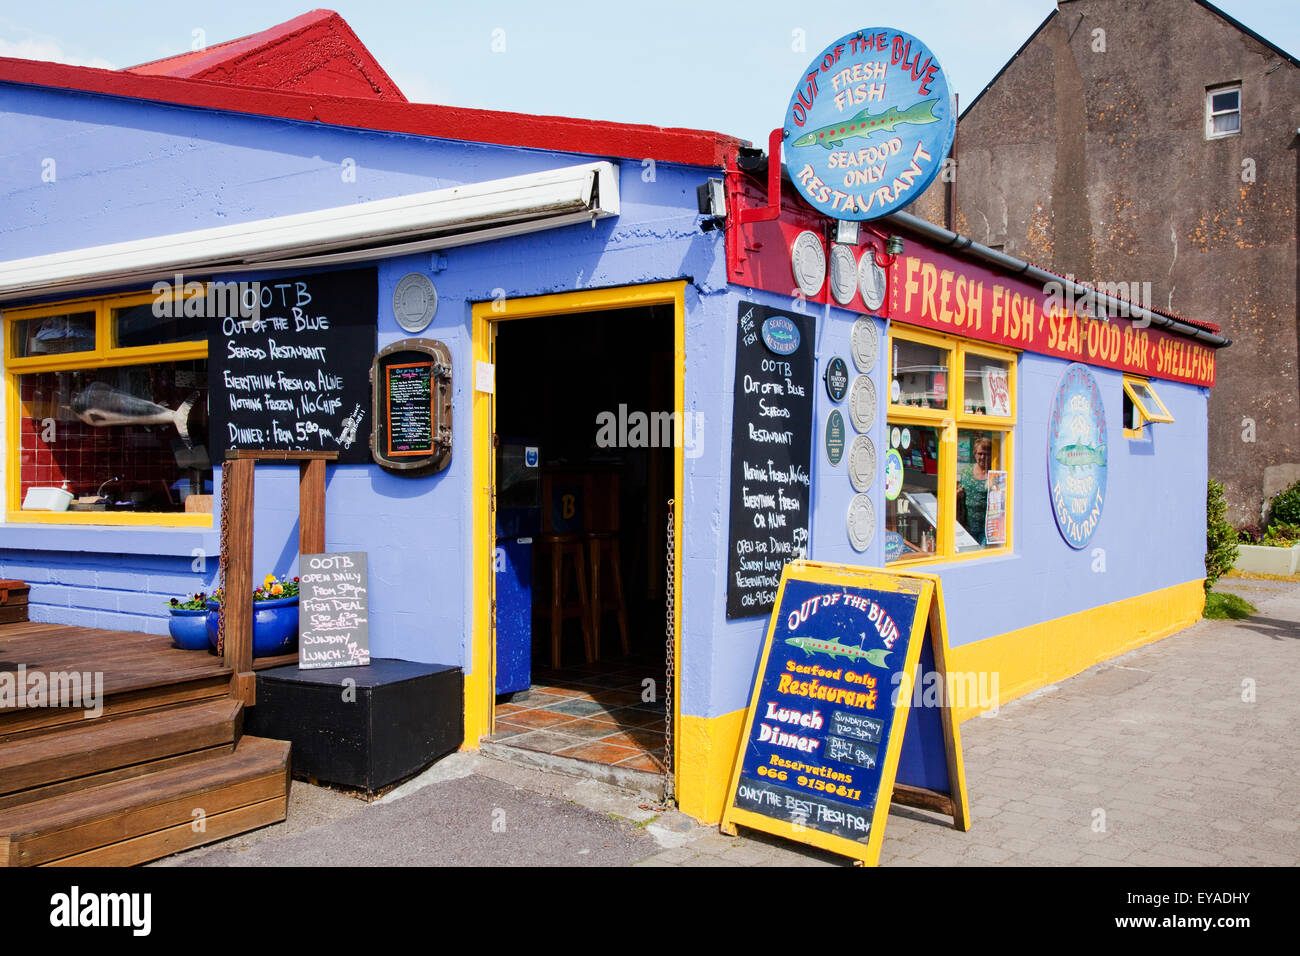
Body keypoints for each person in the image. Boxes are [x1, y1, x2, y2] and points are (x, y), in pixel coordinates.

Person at [956, 437, 993, 545]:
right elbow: (959, 490)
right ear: (974, 454)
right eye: (980, 453)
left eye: (986, 454)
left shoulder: (994, 473)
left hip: (987, 529)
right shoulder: (967, 471)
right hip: (968, 526)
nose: (983, 457)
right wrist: (958, 494)